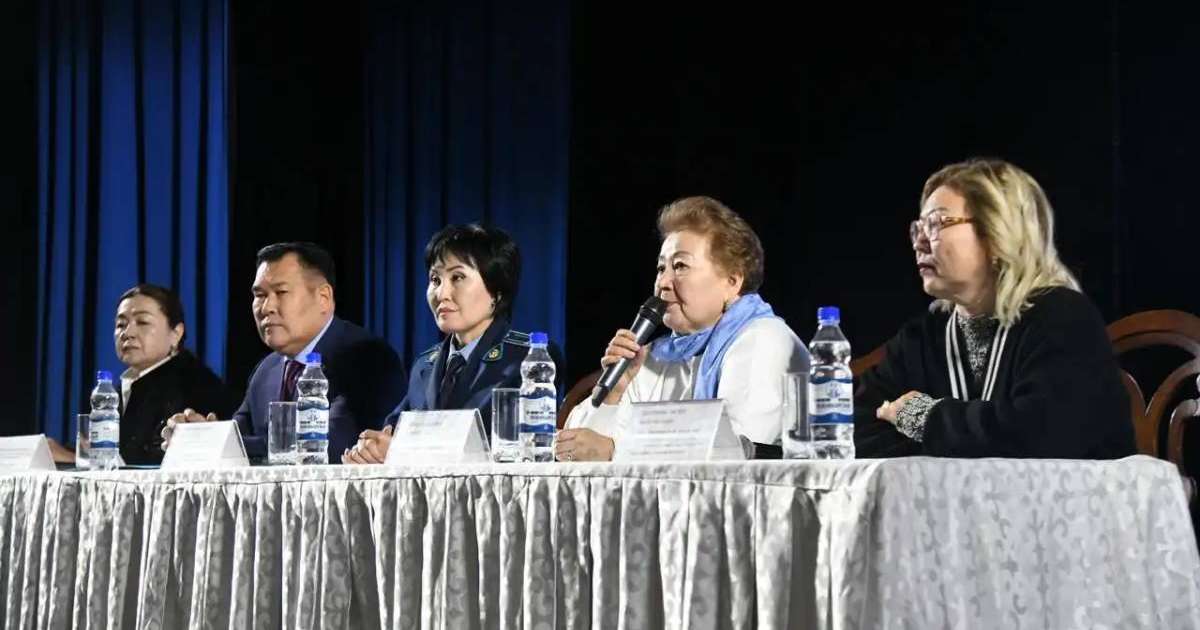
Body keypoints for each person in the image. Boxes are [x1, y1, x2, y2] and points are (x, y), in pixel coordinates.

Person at [855, 158, 1135, 458]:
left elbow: (1039, 432)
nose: (919, 243)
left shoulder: (1064, 318)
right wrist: (970, 435)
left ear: (997, 232)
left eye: (936, 223)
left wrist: (924, 418)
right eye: (918, 228)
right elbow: (855, 427)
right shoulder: (923, 336)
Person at [559, 196, 809, 461]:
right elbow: (574, 451)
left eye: (680, 266)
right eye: (660, 268)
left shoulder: (763, 339)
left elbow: (736, 453)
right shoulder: (654, 355)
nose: (663, 283)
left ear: (732, 281)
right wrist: (614, 393)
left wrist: (615, 452)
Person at [163, 242, 407, 461]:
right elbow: (238, 434)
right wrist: (199, 435)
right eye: (259, 295)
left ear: (323, 297)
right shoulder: (267, 369)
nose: (266, 307)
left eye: (281, 293)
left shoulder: (367, 357)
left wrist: (217, 444)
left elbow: (328, 442)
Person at [344, 224, 563, 464]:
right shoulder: (424, 365)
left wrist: (400, 451)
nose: (442, 293)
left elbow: (501, 447)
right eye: (435, 279)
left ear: (497, 292)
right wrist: (371, 449)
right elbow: (394, 429)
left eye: (457, 277)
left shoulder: (530, 357)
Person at [110, 284, 236, 465]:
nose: (127, 333)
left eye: (143, 322)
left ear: (176, 333)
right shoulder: (114, 390)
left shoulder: (196, 386)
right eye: (120, 324)